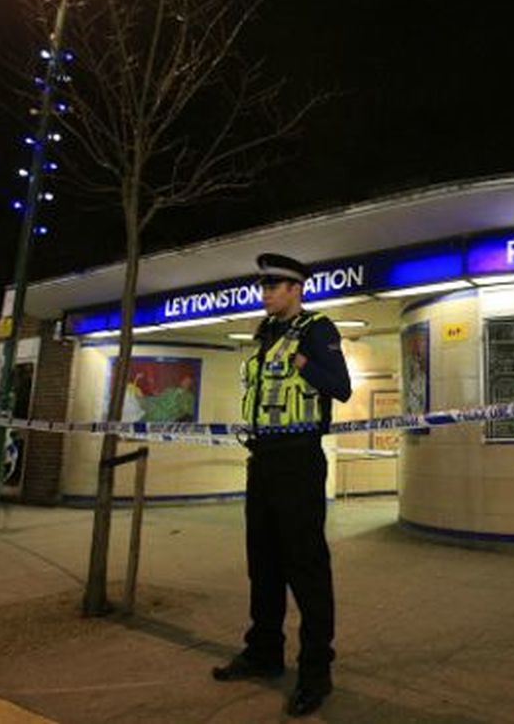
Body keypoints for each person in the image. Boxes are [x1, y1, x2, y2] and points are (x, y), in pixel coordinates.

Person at [212, 253, 352, 718]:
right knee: (264, 563)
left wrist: (305, 363)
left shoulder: (317, 329)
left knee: (306, 567)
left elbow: (341, 387)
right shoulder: (264, 333)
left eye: (273, 286)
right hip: (263, 462)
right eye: (264, 286)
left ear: (296, 289)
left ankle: (316, 673)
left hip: (298, 461)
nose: (265, 294)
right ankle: (263, 652)